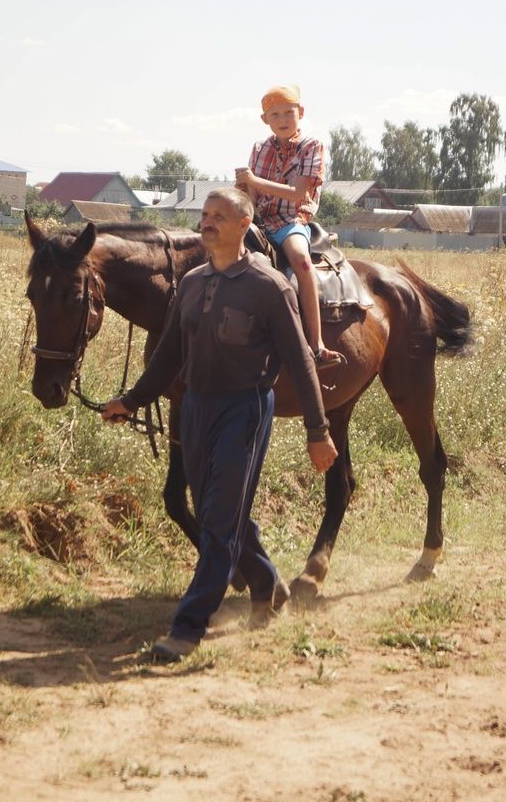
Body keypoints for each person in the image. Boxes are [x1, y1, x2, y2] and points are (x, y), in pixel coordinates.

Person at [100, 187, 337, 663]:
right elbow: (169, 354)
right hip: (197, 410)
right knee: (217, 511)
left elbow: (300, 361)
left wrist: (318, 431)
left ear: (244, 225)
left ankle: (187, 628)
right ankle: (269, 584)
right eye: (205, 215)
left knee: (218, 522)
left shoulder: (270, 286)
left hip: (244, 409)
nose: (207, 223)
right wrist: (131, 399)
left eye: (219, 216)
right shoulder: (191, 284)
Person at [235, 84, 342, 369]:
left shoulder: (311, 146)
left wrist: (254, 181)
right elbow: (253, 196)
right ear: (265, 120)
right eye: (275, 114)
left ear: (301, 113)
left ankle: (316, 344)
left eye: (288, 113)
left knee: (300, 260)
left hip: (290, 220)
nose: (282, 120)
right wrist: (245, 191)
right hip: (259, 219)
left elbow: (297, 194)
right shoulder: (259, 148)